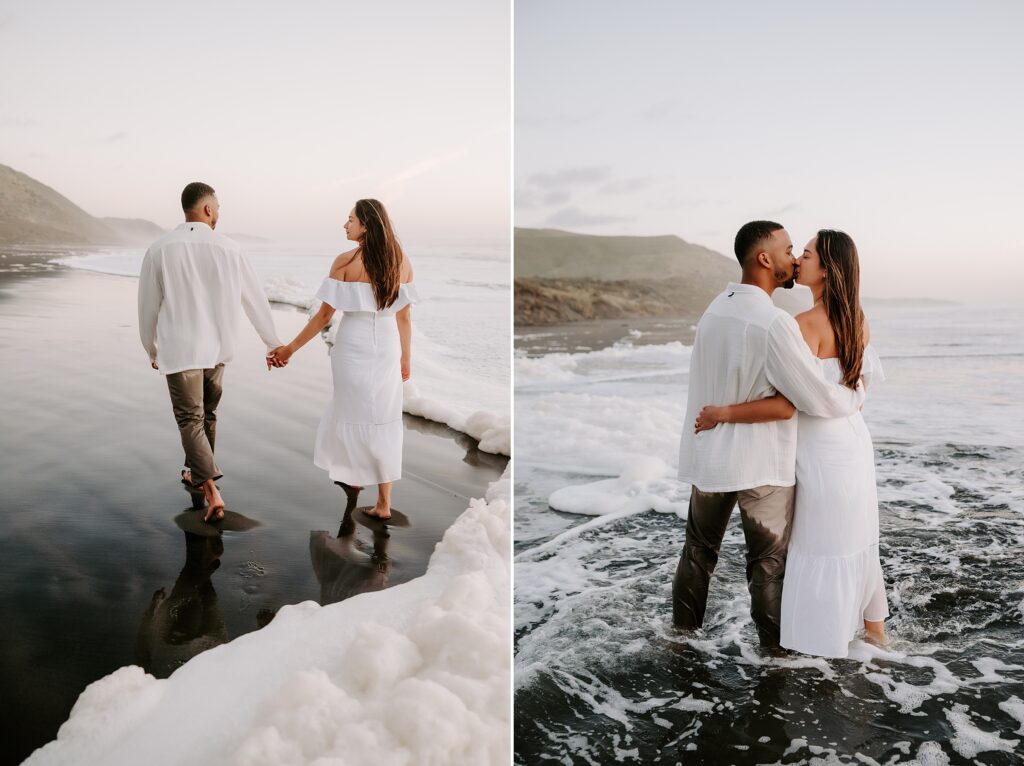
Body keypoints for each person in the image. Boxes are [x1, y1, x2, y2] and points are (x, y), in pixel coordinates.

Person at [694, 230, 888, 656]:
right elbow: (858, 386)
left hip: (820, 450)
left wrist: (721, 413)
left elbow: (784, 404)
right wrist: (848, 403)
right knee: (855, 539)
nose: (799, 260)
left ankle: (818, 645)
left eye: (807, 253)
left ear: (828, 269)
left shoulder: (801, 326)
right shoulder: (858, 317)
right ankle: (875, 638)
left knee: (819, 543)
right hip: (854, 442)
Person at [138, 182, 283, 521]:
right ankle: (196, 474)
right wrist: (271, 342)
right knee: (207, 417)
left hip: (180, 349)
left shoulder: (159, 249)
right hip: (218, 348)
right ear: (206, 209)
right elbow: (254, 299)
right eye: (217, 207)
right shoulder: (230, 249)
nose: (218, 213)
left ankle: (212, 490)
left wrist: (151, 346)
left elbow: (148, 306)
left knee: (190, 419)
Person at [268, 199, 417, 520]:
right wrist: (406, 357)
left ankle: (353, 477)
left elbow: (324, 316)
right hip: (388, 346)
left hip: (353, 345)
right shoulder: (402, 262)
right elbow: (404, 318)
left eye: (350, 219)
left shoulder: (345, 262)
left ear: (367, 224)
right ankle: (383, 502)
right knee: (384, 417)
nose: (345, 225)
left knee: (352, 409)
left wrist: (290, 349)